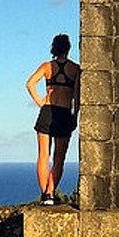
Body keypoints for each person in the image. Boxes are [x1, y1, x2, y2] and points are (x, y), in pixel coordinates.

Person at [25, 33, 80, 205]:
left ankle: (45, 195)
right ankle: (50, 192)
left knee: (43, 155)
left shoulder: (47, 66)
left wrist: (40, 102)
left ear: (54, 48)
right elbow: (77, 97)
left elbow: (29, 84)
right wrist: (75, 116)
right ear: (68, 48)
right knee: (59, 158)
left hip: (47, 111)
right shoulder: (75, 69)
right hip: (64, 112)